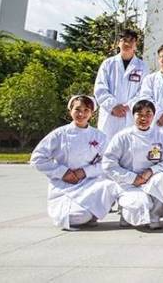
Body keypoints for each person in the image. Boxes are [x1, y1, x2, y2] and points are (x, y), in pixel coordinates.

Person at [30, 95, 120, 230]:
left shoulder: (99, 136)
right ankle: (87, 215)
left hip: (89, 183)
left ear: (92, 113)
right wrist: (63, 173)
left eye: (86, 110)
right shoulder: (59, 134)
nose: (81, 114)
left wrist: (85, 172)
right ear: (70, 111)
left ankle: (92, 215)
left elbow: (109, 163)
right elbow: (37, 158)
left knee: (112, 186)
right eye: (77, 109)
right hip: (64, 185)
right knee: (74, 217)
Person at [103, 99, 163, 229]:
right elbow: (108, 163)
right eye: (140, 114)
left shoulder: (160, 135)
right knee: (138, 206)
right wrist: (132, 178)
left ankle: (154, 216)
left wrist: (151, 171)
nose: (144, 118)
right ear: (133, 115)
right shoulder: (122, 136)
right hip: (128, 183)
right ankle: (126, 213)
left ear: (153, 116)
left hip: (150, 179)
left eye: (148, 114)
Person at [94, 29, 148, 142]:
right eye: (124, 40)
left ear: (136, 44)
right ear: (119, 43)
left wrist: (129, 106)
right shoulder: (108, 64)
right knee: (106, 146)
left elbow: (144, 91)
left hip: (130, 115)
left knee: (128, 146)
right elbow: (100, 88)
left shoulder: (142, 67)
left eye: (131, 40)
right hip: (110, 117)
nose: (127, 44)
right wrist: (113, 106)